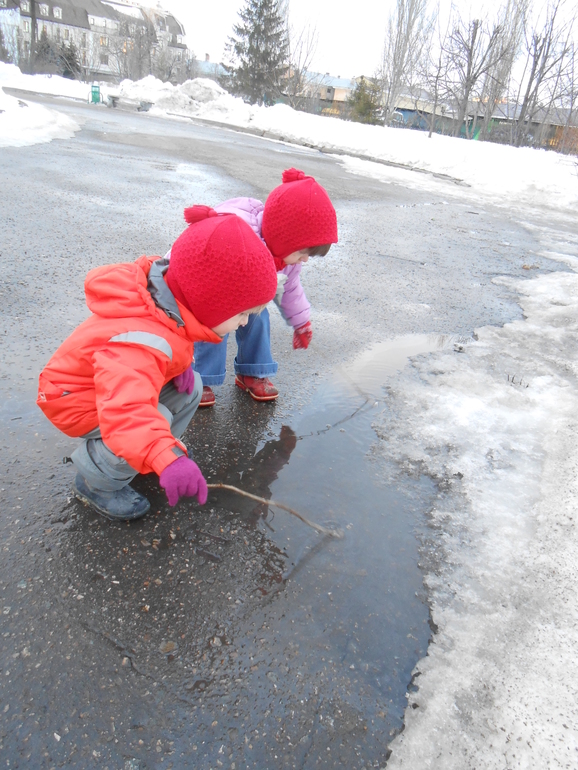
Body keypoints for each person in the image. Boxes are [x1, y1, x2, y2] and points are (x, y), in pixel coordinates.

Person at [36, 209, 278, 522]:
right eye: (242, 314)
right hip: (75, 401)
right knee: (154, 416)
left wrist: (179, 369)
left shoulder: (173, 304)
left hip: (106, 391)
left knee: (192, 391)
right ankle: (96, 480)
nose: (245, 322)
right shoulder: (138, 341)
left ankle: (138, 456)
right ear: (210, 302)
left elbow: (170, 349)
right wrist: (167, 457)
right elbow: (127, 413)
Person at [189, 168, 338, 406]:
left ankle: (253, 371)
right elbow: (194, 248)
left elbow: (290, 289)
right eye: (303, 252)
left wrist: (301, 322)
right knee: (214, 322)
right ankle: (201, 377)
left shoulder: (286, 257)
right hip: (213, 288)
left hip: (245, 294)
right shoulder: (239, 236)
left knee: (258, 314)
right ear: (284, 238)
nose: (305, 259)